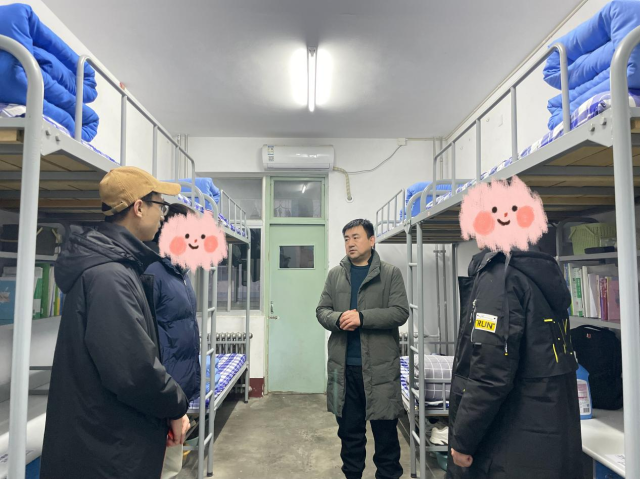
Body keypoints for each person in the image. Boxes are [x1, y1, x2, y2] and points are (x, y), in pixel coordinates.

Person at [41, 167, 191, 479]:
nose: (163, 216)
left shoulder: (118, 267)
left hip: (107, 437)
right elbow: (133, 370)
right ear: (139, 207)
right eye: (161, 206)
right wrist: (175, 406)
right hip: (108, 446)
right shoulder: (109, 276)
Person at [448, 177, 582, 478]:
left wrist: (463, 438)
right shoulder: (539, 272)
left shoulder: (501, 278)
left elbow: (490, 371)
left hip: (509, 440)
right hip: (544, 434)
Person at [317, 218, 409, 479]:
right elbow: (322, 310)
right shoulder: (336, 275)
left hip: (380, 371)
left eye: (356, 237)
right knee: (350, 436)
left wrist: (362, 318)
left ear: (371, 240)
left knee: (386, 437)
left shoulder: (389, 274)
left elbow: (400, 312)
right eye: (346, 238)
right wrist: (337, 319)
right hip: (344, 370)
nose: (350, 243)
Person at [145, 203, 201, 479]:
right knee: (159, 467)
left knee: (171, 468)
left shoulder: (181, 275)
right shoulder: (153, 274)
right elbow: (145, 341)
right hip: (162, 392)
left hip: (178, 390)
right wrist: (166, 396)